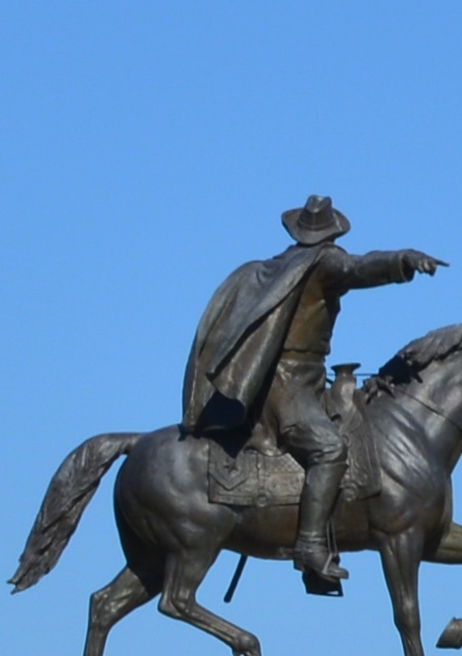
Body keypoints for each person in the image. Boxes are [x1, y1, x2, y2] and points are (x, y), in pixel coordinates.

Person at [178, 196, 444, 597]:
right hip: (288, 387)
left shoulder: (272, 269)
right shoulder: (323, 263)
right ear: (331, 232)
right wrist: (401, 260)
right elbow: (359, 267)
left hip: (299, 381)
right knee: (330, 448)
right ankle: (310, 545)